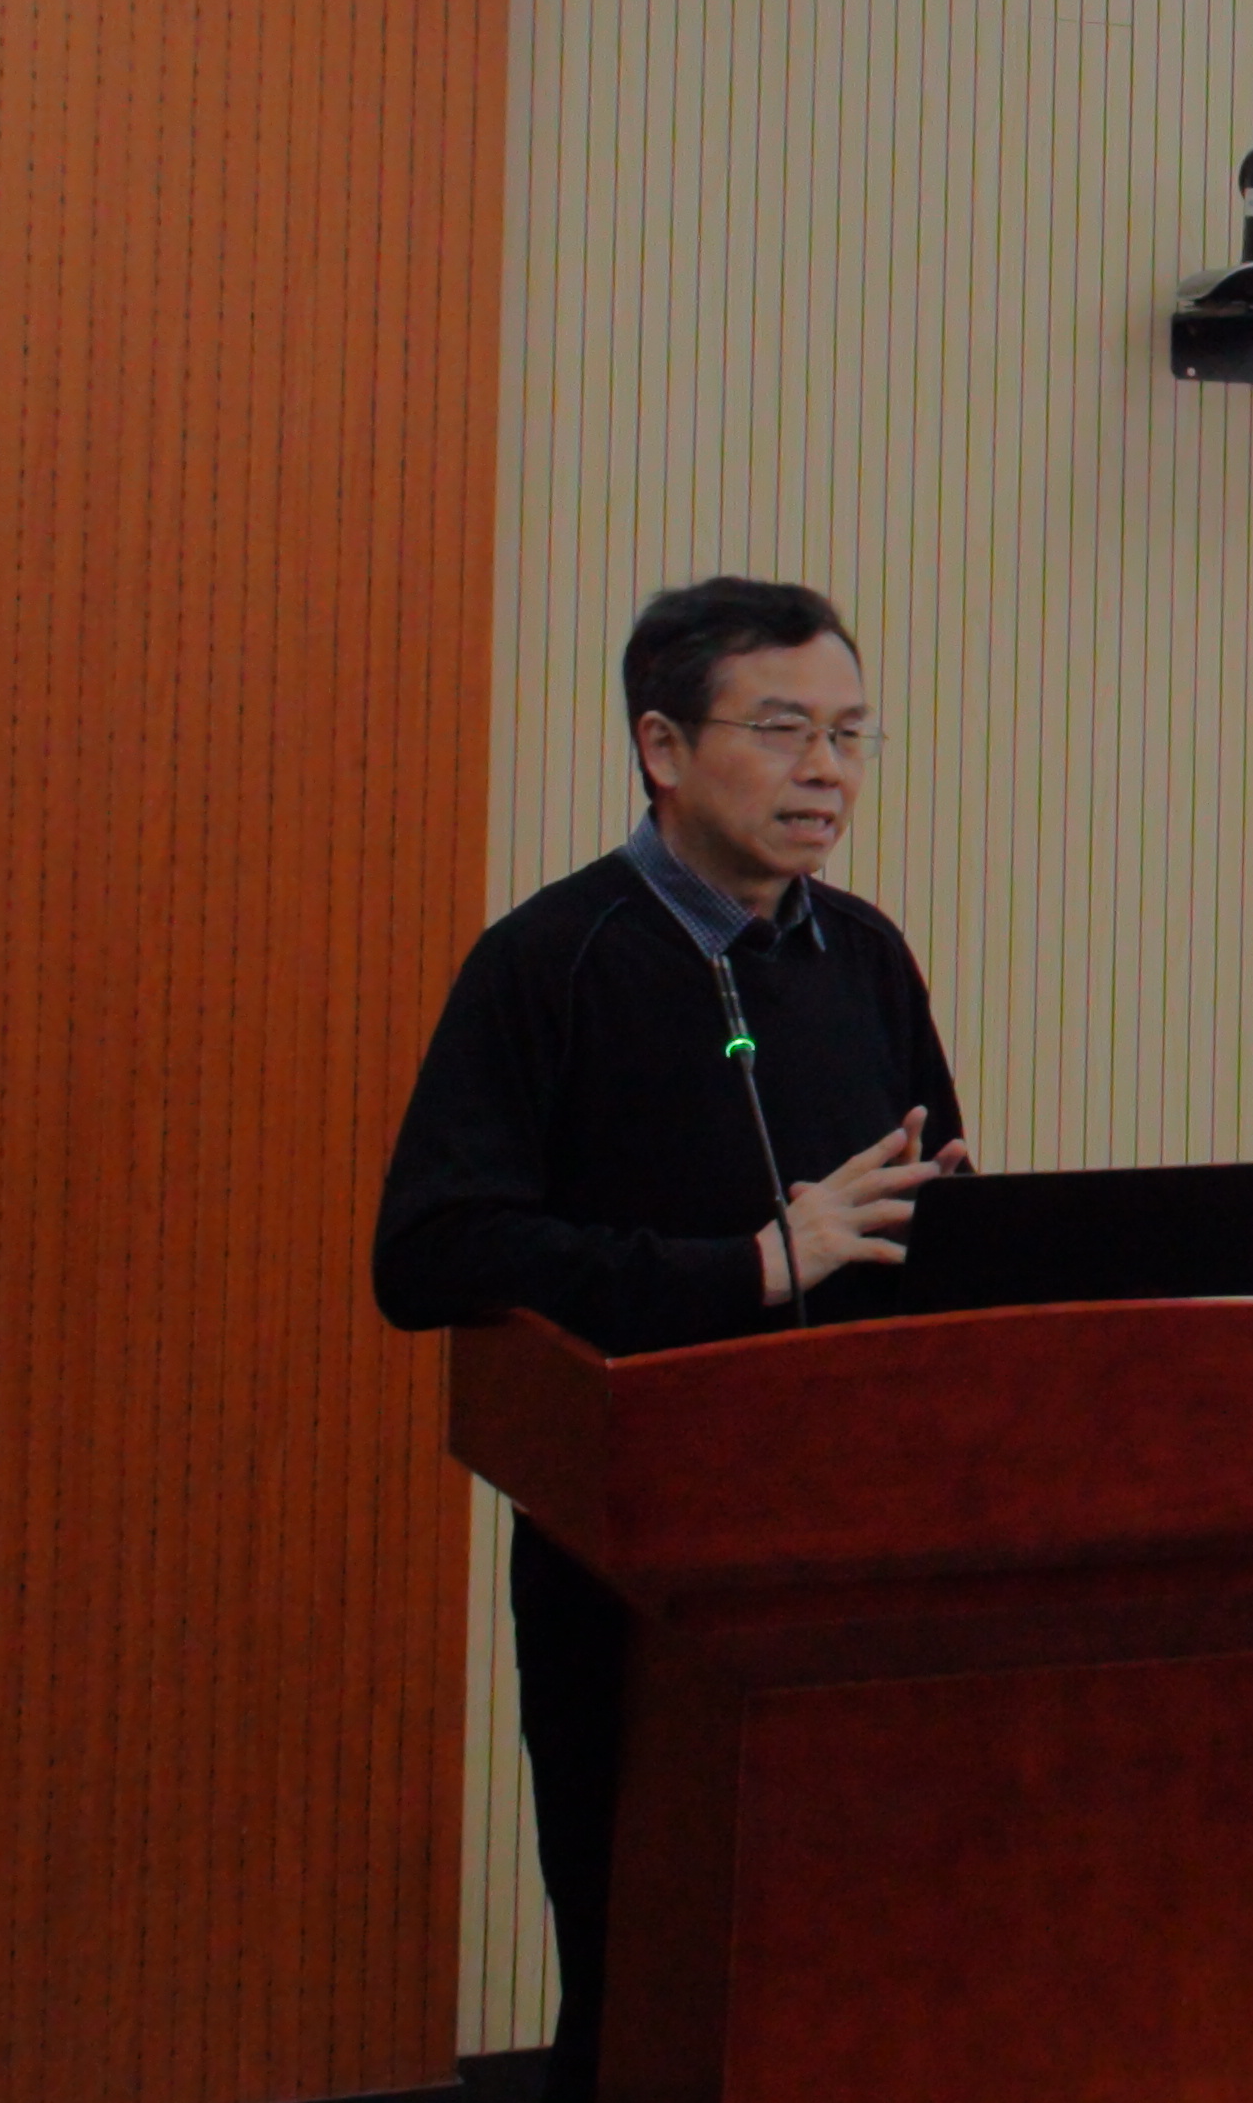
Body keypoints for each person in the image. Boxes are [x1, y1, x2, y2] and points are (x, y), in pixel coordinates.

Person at [373, 577, 967, 2103]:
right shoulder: (552, 960)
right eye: (781, 732)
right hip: (635, 1553)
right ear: (662, 746)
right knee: (652, 1962)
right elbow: (433, 1252)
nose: (826, 772)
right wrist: (747, 1267)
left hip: (865, 1532)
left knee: (860, 1964)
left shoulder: (865, 955)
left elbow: (925, 1210)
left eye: (849, 735)